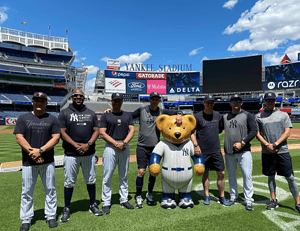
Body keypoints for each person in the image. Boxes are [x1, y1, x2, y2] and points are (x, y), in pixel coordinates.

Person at [14, 92, 61, 231]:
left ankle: (51, 216)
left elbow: (56, 137)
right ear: (32, 102)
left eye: (42, 101)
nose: (39, 103)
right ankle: (26, 219)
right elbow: (19, 137)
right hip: (29, 161)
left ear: (46, 103)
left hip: (47, 160)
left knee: (50, 189)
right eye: (37, 100)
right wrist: (32, 152)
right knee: (27, 191)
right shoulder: (23, 118)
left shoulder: (52, 119)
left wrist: (40, 150)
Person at [58, 89, 102, 223]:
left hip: (88, 152)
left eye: (81, 96)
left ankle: (93, 204)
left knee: (90, 180)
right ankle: (66, 208)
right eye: (76, 96)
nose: (78, 97)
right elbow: (61, 132)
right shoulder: (65, 112)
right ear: (72, 97)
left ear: (83, 98)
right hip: (71, 154)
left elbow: (96, 130)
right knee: (69, 181)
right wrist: (75, 145)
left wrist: (88, 144)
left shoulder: (90, 113)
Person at [131, 91, 181, 209]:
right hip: (142, 146)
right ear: (149, 100)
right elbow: (128, 115)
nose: (155, 101)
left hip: (155, 148)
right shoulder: (142, 110)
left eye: (157, 99)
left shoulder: (162, 112)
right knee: (141, 172)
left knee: (154, 172)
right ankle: (138, 196)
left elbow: (176, 112)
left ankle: (149, 194)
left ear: (159, 101)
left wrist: (179, 113)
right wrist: (111, 112)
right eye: (153, 99)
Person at [256, 92, 300, 212]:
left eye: (272, 100)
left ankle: (298, 203)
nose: (270, 102)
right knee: (270, 177)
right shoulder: (259, 116)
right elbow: (257, 133)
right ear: (264, 101)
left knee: (290, 177)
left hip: (282, 151)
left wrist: (275, 144)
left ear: (275, 101)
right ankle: (273, 200)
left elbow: (287, 132)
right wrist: (267, 145)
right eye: (268, 100)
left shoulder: (283, 115)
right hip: (267, 152)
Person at [191, 95, 231, 206]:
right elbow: (191, 133)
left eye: (212, 102)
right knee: (205, 174)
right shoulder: (197, 116)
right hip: (202, 151)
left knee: (221, 173)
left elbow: (220, 129)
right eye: (207, 102)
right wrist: (196, 145)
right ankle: (207, 196)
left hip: (216, 150)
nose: (210, 104)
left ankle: (222, 196)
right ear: (203, 103)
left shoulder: (218, 115)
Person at [99, 93, 135, 214]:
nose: (117, 102)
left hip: (124, 146)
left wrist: (123, 143)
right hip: (111, 147)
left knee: (123, 175)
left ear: (122, 102)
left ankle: (124, 199)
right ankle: (106, 202)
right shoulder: (106, 115)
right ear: (111, 101)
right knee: (107, 175)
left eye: (119, 100)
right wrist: (116, 144)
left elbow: (132, 130)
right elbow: (102, 132)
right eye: (115, 100)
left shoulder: (127, 115)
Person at [223, 94, 257, 211]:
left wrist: (242, 143)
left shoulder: (247, 115)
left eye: (238, 101)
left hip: (244, 151)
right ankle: (233, 196)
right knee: (231, 175)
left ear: (241, 103)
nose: (236, 102)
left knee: (247, 175)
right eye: (234, 101)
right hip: (229, 152)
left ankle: (248, 199)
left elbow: (254, 131)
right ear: (230, 103)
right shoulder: (225, 117)